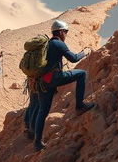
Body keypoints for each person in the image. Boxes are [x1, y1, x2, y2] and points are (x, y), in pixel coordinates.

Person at [33, 20, 95, 151]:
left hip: (42, 82)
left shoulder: (48, 44)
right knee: (82, 74)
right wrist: (85, 52)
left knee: (42, 111)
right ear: (61, 32)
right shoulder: (58, 43)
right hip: (54, 78)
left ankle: (37, 143)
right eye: (66, 32)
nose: (66, 34)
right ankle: (80, 106)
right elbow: (73, 58)